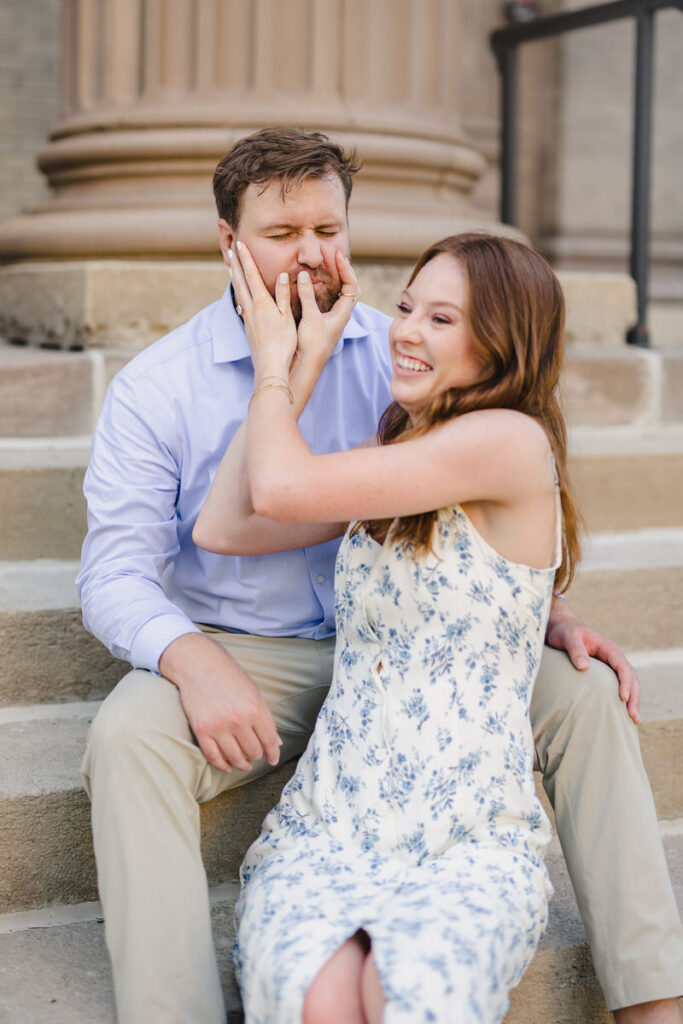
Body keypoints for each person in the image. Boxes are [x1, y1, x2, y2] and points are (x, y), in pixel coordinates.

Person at [77, 127, 683, 1024]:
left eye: (329, 229)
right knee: (129, 736)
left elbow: (482, 517)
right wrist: (189, 658)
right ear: (227, 243)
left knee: (585, 691)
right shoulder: (155, 387)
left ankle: (650, 995)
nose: (312, 255)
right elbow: (118, 569)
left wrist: (539, 613)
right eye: (282, 234)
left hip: (407, 646)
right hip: (256, 652)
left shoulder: (404, 350)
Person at [195, 230, 575, 1022]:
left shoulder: (508, 441)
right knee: (319, 996)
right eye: (405, 307)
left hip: (462, 836)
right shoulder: (401, 446)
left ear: (502, 345)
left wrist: (274, 360)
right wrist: (305, 359)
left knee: (408, 996)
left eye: (442, 319)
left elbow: (280, 486)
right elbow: (226, 524)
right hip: (331, 823)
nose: (403, 330)